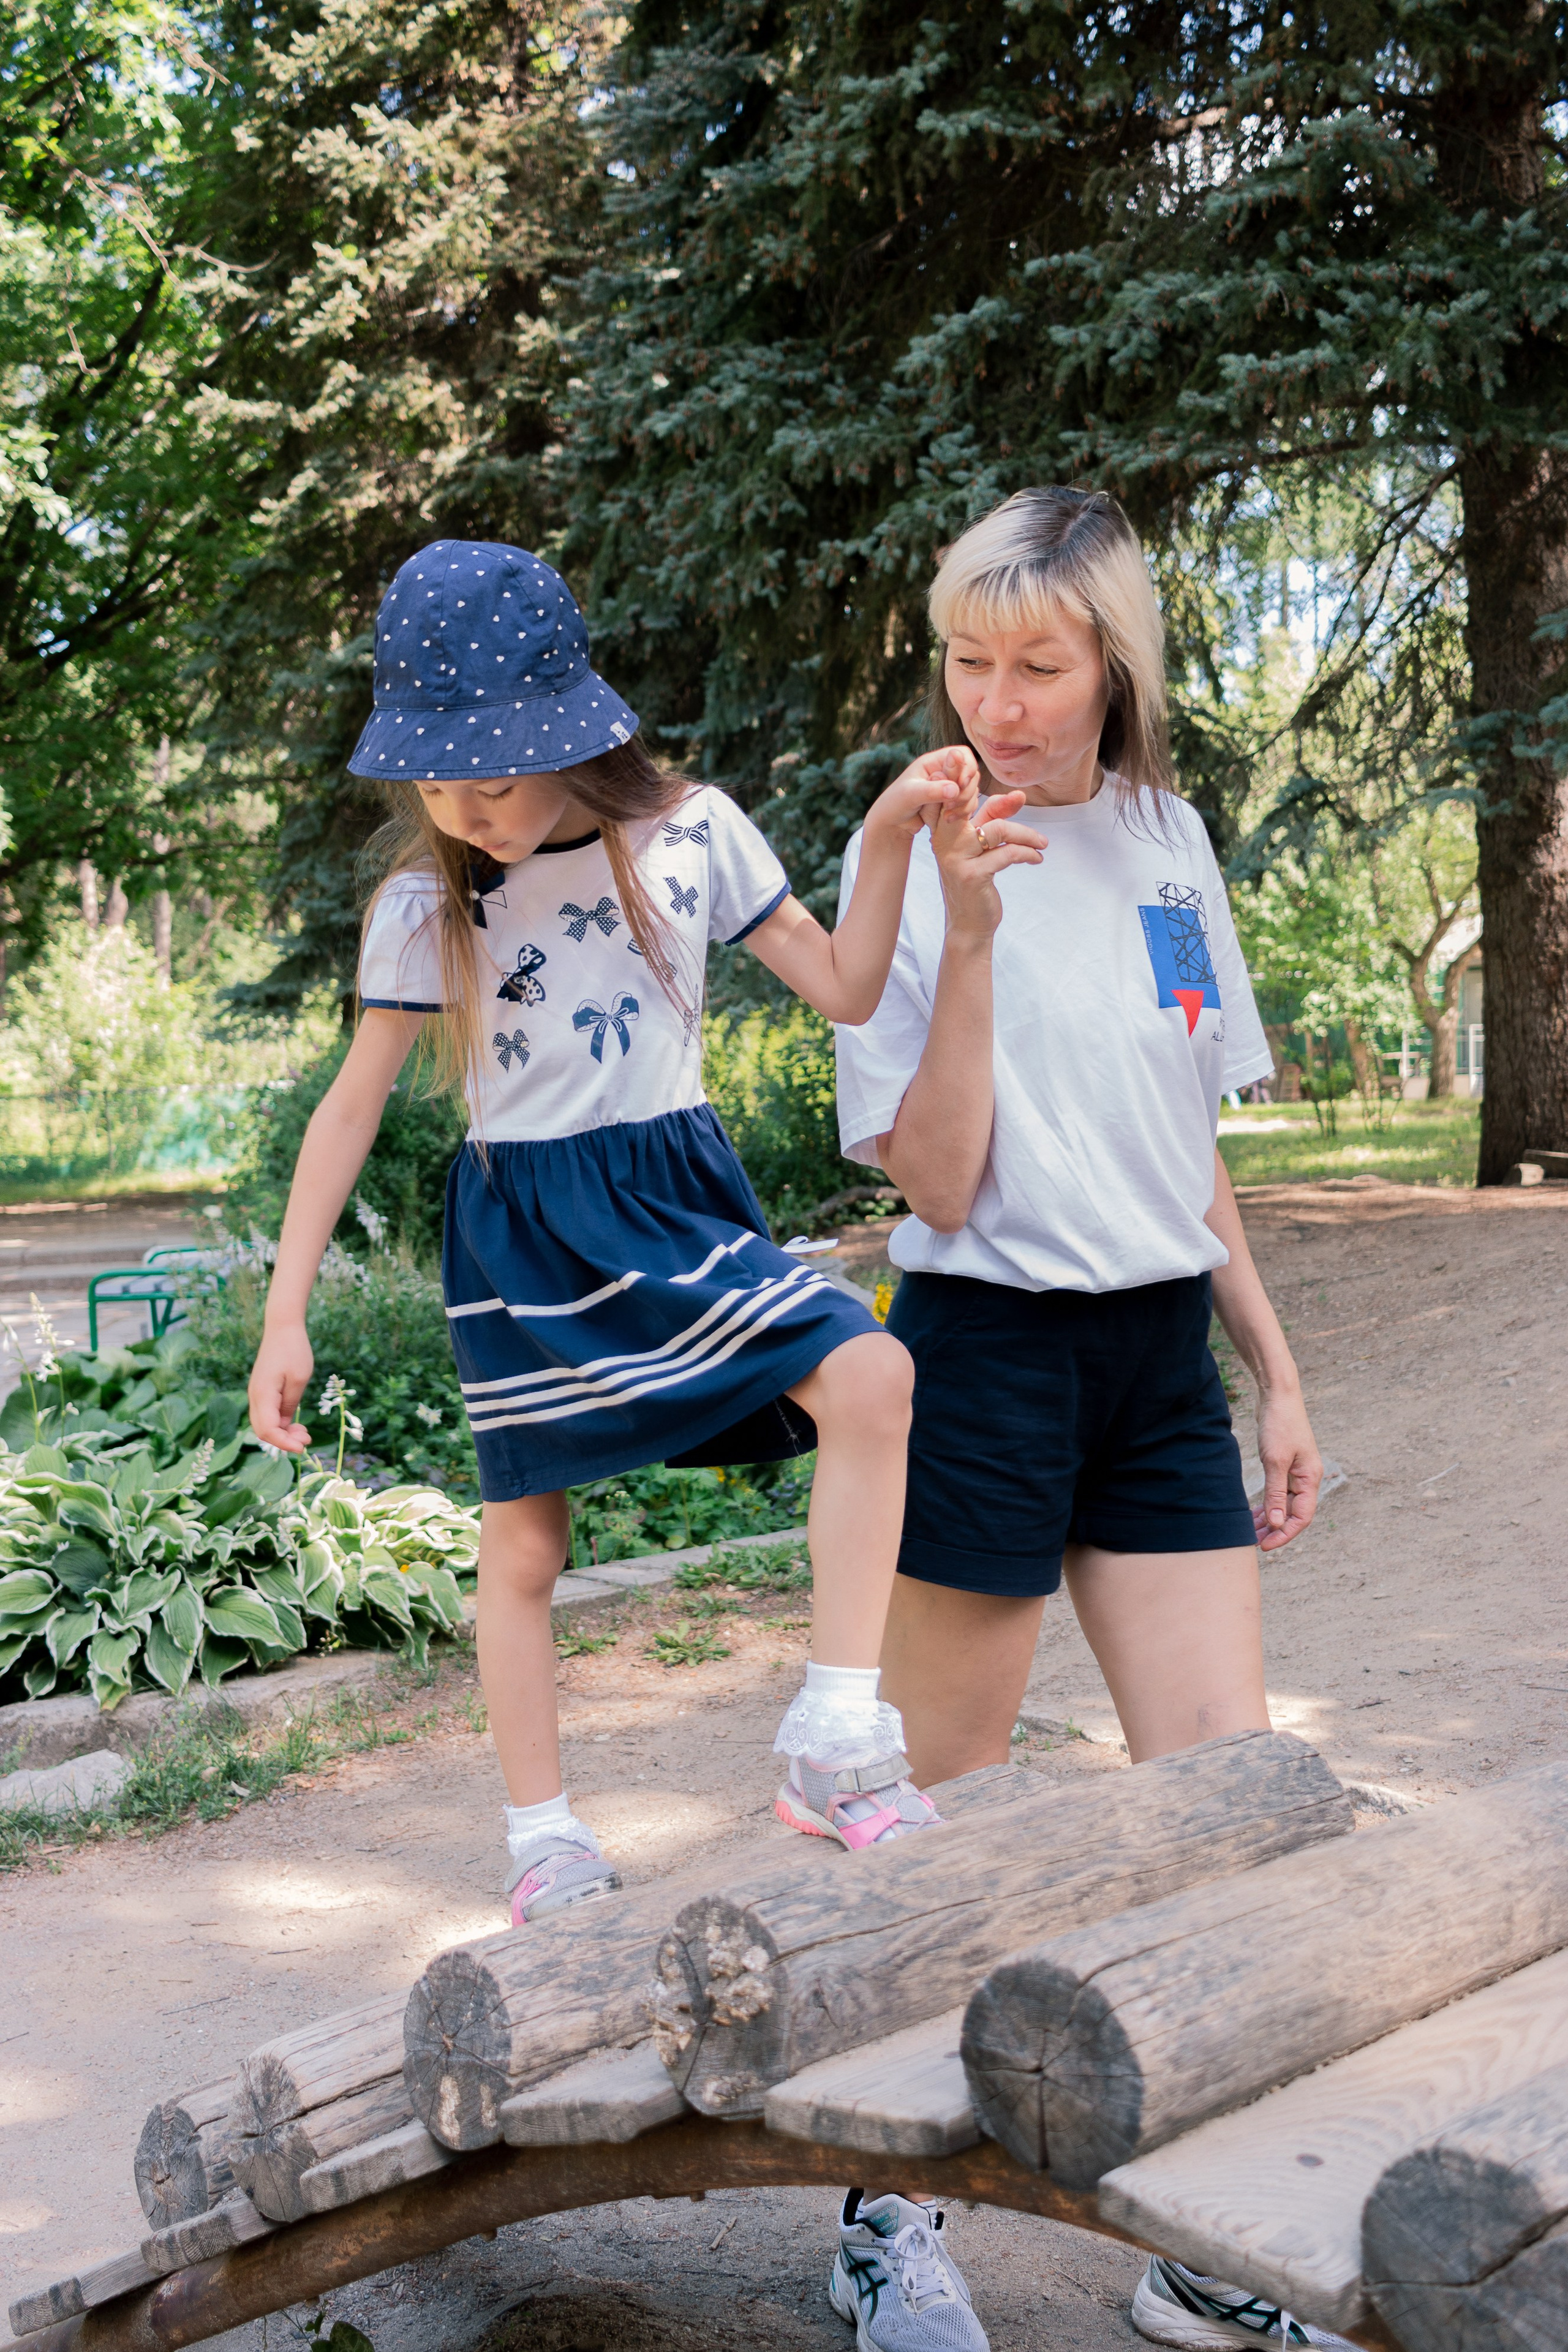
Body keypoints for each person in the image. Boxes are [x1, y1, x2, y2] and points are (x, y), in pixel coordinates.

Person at [246, 538, 1042, 1928]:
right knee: (524, 1552)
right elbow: (350, 1110)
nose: (463, 804)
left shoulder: (689, 837)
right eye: (433, 778)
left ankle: (837, 1739)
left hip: (670, 1194)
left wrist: (885, 840)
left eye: (488, 774)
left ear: (564, 735)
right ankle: (543, 1837)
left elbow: (850, 990)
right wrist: (286, 1308)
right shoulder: (426, 904)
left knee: (871, 1374)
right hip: (522, 1231)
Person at [825, 489, 1349, 2352]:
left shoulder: (1171, 842)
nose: (998, 702)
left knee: (1231, 1804)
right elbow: (943, 1185)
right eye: (970, 661)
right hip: (974, 1347)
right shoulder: (908, 845)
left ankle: (1209, 2246)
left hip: (1152, 1361)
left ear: (1113, 662)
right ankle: (888, 2221)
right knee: (942, 1821)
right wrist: (964, 936)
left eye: (1038, 664)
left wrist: (1271, 1364)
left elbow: (1183, 1142)